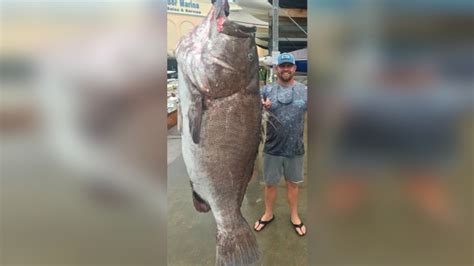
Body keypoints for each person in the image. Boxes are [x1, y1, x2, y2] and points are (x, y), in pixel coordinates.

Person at [254, 53, 308, 236]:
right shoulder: (266, 91)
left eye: (289, 66)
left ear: (294, 68)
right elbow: (250, 109)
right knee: (270, 185)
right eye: (282, 66)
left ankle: (294, 215)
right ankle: (268, 213)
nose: (286, 69)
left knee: (293, 184)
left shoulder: (305, 90)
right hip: (272, 149)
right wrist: (260, 106)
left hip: (296, 148)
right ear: (276, 69)